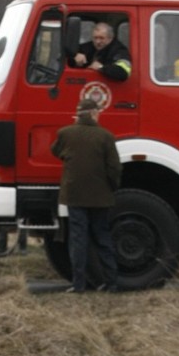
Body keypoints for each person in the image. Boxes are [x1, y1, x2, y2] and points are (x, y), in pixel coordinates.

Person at [50, 99, 122, 294]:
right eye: (97, 112)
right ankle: (111, 283)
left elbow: (55, 151)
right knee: (102, 237)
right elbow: (114, 167)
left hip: (74, 195)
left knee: (78, 240)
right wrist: (112, 187)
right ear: (92, 114)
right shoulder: (106, 136)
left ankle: (78, 284)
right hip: (100, 196)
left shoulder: (65, 133)